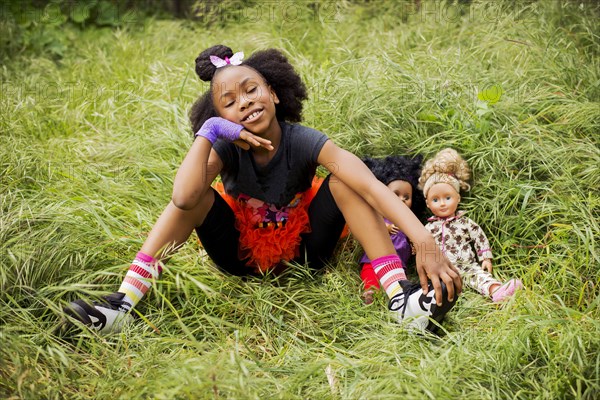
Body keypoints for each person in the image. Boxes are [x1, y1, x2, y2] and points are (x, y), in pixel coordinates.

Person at [63, 45, 462, 335]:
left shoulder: (303, 140)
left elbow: (368, 185)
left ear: (273, 92)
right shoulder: (222, 144)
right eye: (229, 102)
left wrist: (423, 238)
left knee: (343, 181)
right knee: (199, 193)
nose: (245, 102)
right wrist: (209, 134)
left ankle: (400, 298)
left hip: (308, 249)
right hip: (240, 254)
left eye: (251, 89)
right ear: (221, 117)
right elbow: (183, 198)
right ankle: (124, 305)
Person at [418, 148, 523, 302]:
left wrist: (485, 258)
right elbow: (422, 247)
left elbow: (479, 237)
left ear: (458, 198)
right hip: (441, 269)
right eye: (435, 200)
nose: (442, 204)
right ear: (427, 203)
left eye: (448, 197)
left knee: (480, 277)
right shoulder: (428, 228)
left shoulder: (465, 222)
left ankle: (497, 291)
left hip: (467, 265)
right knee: (436, 288)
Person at [358, 155, 426, 305]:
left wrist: (415, 246)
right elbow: (370, 228)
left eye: (406, 197)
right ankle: (371, 290)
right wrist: (386, 227)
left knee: (400, 281)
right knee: (370, 273)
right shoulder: (380, 215)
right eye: (395, 194)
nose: (401, 199)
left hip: (399, 262)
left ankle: (400, 298)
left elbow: (414, 236)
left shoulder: (409, 221)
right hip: (374, 258)